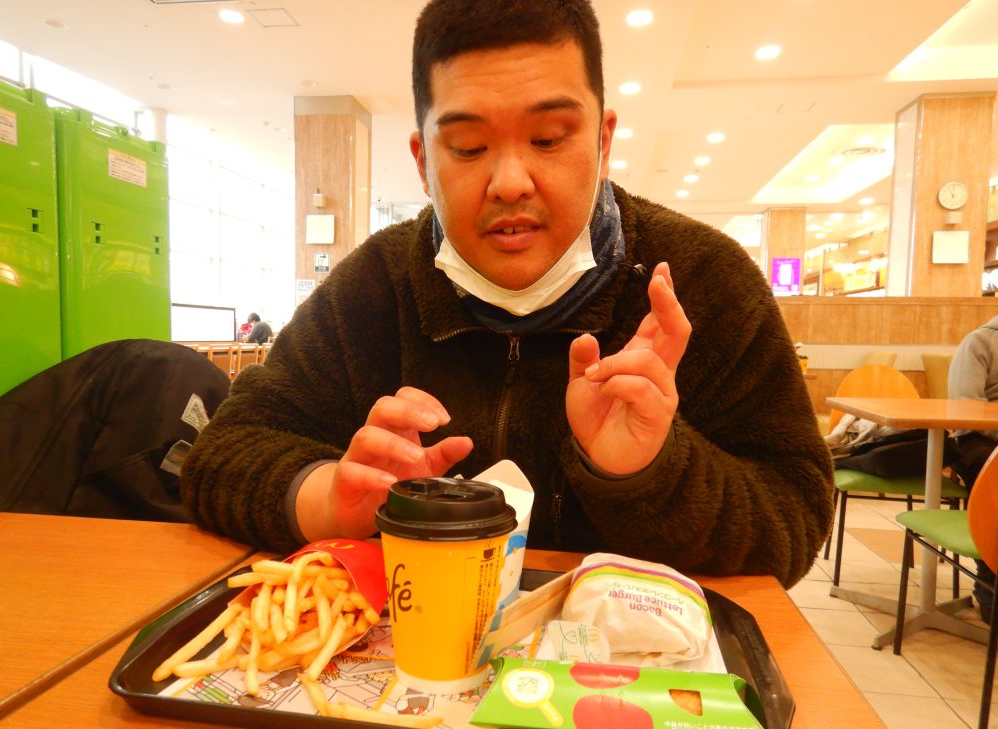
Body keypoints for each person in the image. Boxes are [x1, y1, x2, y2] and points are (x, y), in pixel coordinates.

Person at [181, 0, 834, 588]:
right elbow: (222, 456)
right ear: (423, 162)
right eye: (468, 147)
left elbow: (796, 518)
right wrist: (330, 497)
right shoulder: (375, 285)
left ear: (603, 141)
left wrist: (649, 472)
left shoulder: (703, 279)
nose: (511, 182)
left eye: (548, 139)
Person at [948, 314, 998, 622]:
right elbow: (965, 408)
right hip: (978, 439)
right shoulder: (980, 342)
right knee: (991, 476)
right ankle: (989, 581)